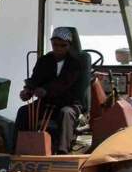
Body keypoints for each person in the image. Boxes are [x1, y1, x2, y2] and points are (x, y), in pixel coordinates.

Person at [15, 26, 86, 154]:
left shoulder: (75, 64)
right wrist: (27, 90)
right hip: (46, 102)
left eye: (62, 45)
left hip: (69, 102)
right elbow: (35, 79)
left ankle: (62, 152)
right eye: (55, 44)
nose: (58, 48)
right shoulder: (44, 60)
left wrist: (45, 90)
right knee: (23, 111)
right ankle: (17, 149)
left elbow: (64, 83)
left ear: (69, 45)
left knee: (66, 113)